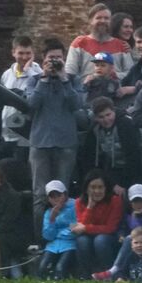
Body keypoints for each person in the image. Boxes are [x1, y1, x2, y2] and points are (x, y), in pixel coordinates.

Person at [24, 39, 83, 230]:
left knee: (62, 193)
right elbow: (30, 106)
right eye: (51, 58)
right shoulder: (34, 80)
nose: (55, 61)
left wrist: (64, 79)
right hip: (40, 143)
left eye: (58, 57)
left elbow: (77, 105)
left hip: (66, 143)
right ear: (44, 59)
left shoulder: (73, 80)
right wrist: (44, 79)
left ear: (64, 58)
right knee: (40, 194)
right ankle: (39, 239)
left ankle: (62, 235)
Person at [78, 98, 140, 191]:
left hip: (135, 167)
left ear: (113, 111)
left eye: (108, 115)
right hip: (113, 167)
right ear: (95, 117)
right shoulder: (95, 129)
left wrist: (123, 184)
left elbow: (133, 156)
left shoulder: (126, 123)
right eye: (101, 117)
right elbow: (89, 156)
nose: (106, 120)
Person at [71, 169, 122, 277]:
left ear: (106, 188)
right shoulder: (79, 202)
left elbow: (110, 228)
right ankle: (86, 275)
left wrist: (86, 228)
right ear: (86, 189)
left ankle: (107, 275)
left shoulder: (115, 200)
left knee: (100, 240)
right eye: (93, 187)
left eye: (100, 187)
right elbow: (81, 227)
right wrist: (89, 207)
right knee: (81, 240)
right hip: (88, 237)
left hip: (110, 237)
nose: (97, 191)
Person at [0, 35, 40, 162]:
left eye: (28, 53)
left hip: (25, 136)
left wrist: (31, 73)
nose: (24, 57)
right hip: (5, 134)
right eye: (20, 53)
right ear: (13, 53)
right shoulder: (6, 74)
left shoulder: (39, 74)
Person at [65, 4, 128, 82]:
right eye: (99, 18)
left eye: (106, 18)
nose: (103, 21)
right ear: (91, 21)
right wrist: (85, 81)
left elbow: (131, 73)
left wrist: (115, 74)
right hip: (86, 91)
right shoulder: (79, 43)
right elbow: (70, 72)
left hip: (114, 92)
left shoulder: (121, 45)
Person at [38, 180, 77, 281]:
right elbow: (47, 236)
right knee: (42, 268)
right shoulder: (48, 212)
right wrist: (52, 219)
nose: (56, 199)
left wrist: (59, 233)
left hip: (70, 244)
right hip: (52, 246)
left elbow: (75, 228)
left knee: (60, 268)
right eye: (52, 196)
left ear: (65, 194)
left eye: (58, 195)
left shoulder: (75, 206)